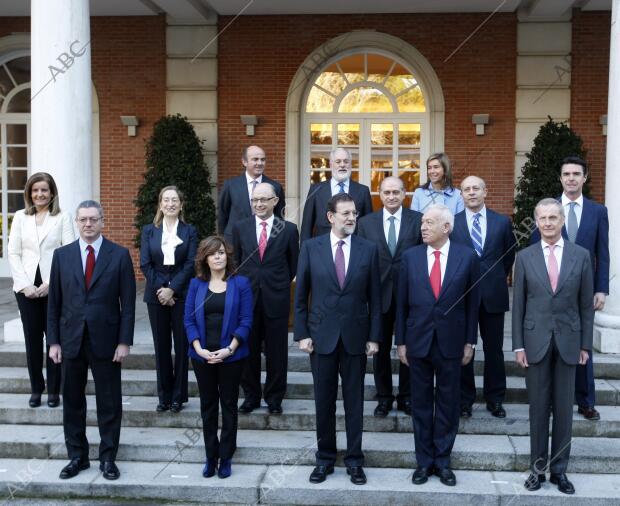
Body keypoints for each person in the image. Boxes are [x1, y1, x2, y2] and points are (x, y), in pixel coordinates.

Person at [295, 193, 381, 486]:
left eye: (354, 213)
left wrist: (374, 337)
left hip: (356, 338)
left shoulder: (368, 250)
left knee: (355, 403)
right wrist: (302, 333)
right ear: (330, 217)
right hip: (320, 338)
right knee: (324, 402)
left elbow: (376, 299)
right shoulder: (311, 248)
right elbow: (301, 294)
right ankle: (325, 458)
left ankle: (355, 461)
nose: (351, 218)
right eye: (345, 213)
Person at [47, 200, 136, 481]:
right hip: (71, 340)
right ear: (76, 221)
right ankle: (77, 456)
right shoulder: (62, 256)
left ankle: (108, 458)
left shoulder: (120, 255)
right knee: (72, 401)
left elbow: (129, 304)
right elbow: (54, 304)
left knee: (109, 402)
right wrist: (54, 342)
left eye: (94, 219)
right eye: (83, 219)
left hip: (107, 342)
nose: (88, 224)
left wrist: (124, 341)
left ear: (102, 221)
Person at [395, 204, 480, 487]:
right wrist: (401, 342)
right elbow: (401, 304)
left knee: (448, 404)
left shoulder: (466, 257)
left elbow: (472, 305)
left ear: (446, 227)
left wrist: (470, 341)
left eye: (429, 222)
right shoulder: (410, 257)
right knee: (419, 405)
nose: (423, 227)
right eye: (422, 223)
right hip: (417, 342)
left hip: (452, 342)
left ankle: (443, 462)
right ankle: (424, 462)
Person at [513, 198, 594, 495]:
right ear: (535, 222)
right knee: (537, 409)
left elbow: (586, 304)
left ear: (562, 221)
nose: (547, 223)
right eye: (542, 218)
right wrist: (518, 345)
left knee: (563, 409)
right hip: (535, 342)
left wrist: (586, 343)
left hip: (569, 342)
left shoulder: (581, 255)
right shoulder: (524, 257)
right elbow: (518, 303)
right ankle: (537, 470)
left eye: (553, 218)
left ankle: (559, 470)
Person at [530, 156, 608, 421]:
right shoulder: (547, 209)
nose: (571, 178)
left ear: (584, 178)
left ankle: (586, 401)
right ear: (560, 178)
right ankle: (553, 402)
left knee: (582, 344)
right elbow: (533, 252)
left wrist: (602, 288)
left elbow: (603, 253)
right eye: (567, 174)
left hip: (583, 290)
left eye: (577, 174)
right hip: (551, 290)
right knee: (552, 345)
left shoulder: (598, 211)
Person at [184, 236, 253, 479]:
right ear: (204, 257)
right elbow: (188, 320)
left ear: (228, 256)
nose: (218, 257)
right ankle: (210, 456)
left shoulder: (241, 283)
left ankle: (226, 457)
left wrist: (230, 349)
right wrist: (199, 349)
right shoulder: (195, 284)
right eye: (213, 253)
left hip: (231, 356)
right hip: (202, 356)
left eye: (222, 252)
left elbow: (246, 321)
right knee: (208, 407)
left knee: (229, 406)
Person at [8, 172, 75, 408]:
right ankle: (37, 388)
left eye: (44, 190)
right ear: (29, 193)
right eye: (35, 190)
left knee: (54, 340)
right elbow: (13, 253)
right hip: (25, 288)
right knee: (32, 340)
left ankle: (54, 390)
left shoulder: (63, 217)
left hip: (54, 287)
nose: (40, 194)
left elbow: (68, 253)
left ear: (52, 193)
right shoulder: (19, 217)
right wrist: (26, 285)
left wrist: (49, 284)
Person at [357, 176, 422, 417]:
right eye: (387, 192)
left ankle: (406, 396)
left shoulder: (417, 221)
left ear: (405, 194)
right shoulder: (366, 223)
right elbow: (362, 260)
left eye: (396, 192)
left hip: (411, 295)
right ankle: (384, 396)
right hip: (378, 294)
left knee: (410, 348)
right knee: (380, 348)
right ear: (379, 194)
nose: (392, 196)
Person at [451, 176, 515, 418]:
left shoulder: (502, 222)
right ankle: (464, 400)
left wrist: (495, 277)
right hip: (461, 296)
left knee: (494, 349)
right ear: (461, 195)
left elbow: (509, 255)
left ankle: (495, 398)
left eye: (476, 188)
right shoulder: (452, 223)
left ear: (485, 191)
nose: (471, 193)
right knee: (463, 348)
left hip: (493, 295)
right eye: (466, 189)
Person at [232, 183, 299, 414]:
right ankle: (251, 396)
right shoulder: (240, 228)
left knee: (277, 351)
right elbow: (237, 262)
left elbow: (293, 265)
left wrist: (277, 284)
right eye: (255, 200)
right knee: (247, 348)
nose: (259, 204)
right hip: (247, 298)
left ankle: (274, 398)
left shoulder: (288, 229)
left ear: (275, 201)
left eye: (264, 199)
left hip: (276, 298)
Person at [140, 186, 198, 413]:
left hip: (181, 296)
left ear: (181, 205)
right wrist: (163, 290)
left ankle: (178, 397)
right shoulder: (149, 231)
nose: (170, 204)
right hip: (156, 297)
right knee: (161, 347)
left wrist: (172, 290)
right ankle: (163, 396)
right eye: (166, 200)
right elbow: (146, 263)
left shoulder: (189, 230)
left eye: (175, 200)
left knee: (182, 347)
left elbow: (191, 263)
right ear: (160, 204)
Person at [300, 147, 372, 242]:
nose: (342, 165)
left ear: (350, 164)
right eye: (338, 161)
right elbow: (306, 226)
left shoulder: (363, 191)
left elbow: (368, 226)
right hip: (322, 249)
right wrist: (305, 254)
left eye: (346, 161)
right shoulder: (316, 190)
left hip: (354, 248)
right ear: (331, 164)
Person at [218, 145, 285, 241]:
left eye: (263, 160)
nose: (260, 163)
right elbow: (223, 214)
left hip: (264, 241)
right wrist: (223, 239)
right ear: (244, 162)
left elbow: (279, 216)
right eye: (255, 159)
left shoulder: (275, 187)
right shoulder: (230, 185)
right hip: (234, 241)